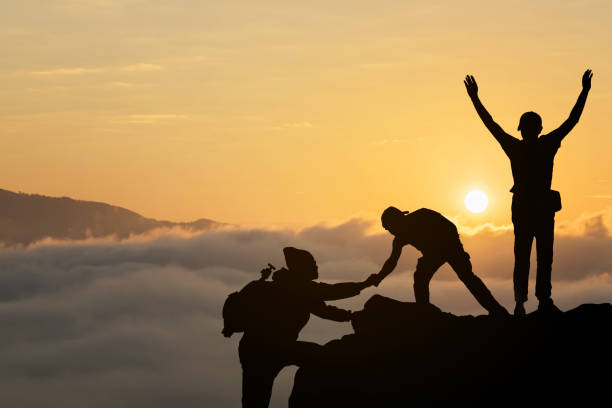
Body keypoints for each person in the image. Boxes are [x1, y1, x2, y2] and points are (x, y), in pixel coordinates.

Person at [464, 70, 593, 316]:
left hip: (528, 207)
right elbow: (571, 120)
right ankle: (536, 300)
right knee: (540, 256)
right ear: (537, 128)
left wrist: (475, 98)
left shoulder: (519, 146)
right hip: (535, 207)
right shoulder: (546, 144)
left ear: (523, 129)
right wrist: (584, 91)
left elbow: (491, 124)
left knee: (528, 255)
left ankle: (525, 301)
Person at [237, 247, 375, 407]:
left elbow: (323, 309)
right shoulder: (299, 288)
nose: (316, 267)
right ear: (301, 268)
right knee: (319, 358)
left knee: (255, 399)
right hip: (268, 349)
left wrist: (350, 315)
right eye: (313, 264)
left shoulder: (292, 286)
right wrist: (364, 285)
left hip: (257, 348)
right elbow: (332, 293)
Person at [369, 206, 508, 315]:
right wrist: (379, 277)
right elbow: (392, 261)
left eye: (390, 227)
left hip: (449, 245)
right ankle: (424, 312)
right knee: (420, 279)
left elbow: (450, 227)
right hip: (434, 253)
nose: (390, 232)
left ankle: (497, 311)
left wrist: (457, 250)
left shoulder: (422, 215)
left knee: (467, 277)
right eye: (388, 229)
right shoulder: (399, 238)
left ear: (398, 221)